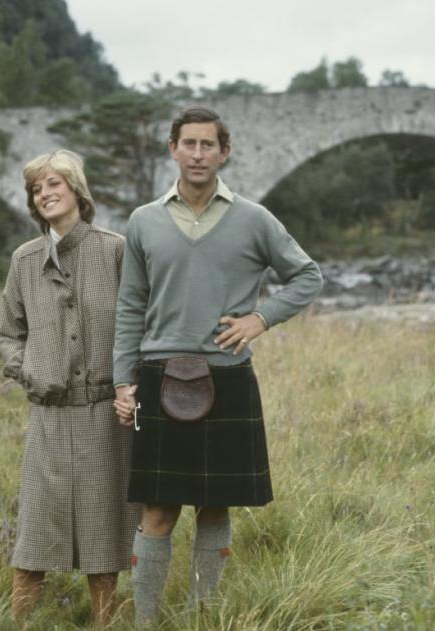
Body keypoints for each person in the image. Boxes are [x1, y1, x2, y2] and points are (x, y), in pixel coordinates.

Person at [113, 107, 324, 625]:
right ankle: (145, 622)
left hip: (227, 376)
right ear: (173, 149)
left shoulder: (254, 218)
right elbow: (129, 306)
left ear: (224, 152)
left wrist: (260, 318)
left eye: (209, 145)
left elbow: (308, 276)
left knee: (215, 505)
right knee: (157, 509)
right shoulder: (143, 221)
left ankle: (204, 616)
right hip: (157, 374)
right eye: (189, 143)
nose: (199, 153)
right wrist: (122, 380)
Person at [0, 150, 140, 626]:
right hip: (49, 416)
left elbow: (140, 321)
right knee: (34, 537)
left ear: (77, 190)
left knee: (105, 537)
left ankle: (105, 623)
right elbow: (7, 332)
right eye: (38, 189)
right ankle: (19, 624)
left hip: (106, 415)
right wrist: (26, 369)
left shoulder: (116, 249)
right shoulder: (24, 259)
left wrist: (130, 383)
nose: (46, 193)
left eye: (55, 184)